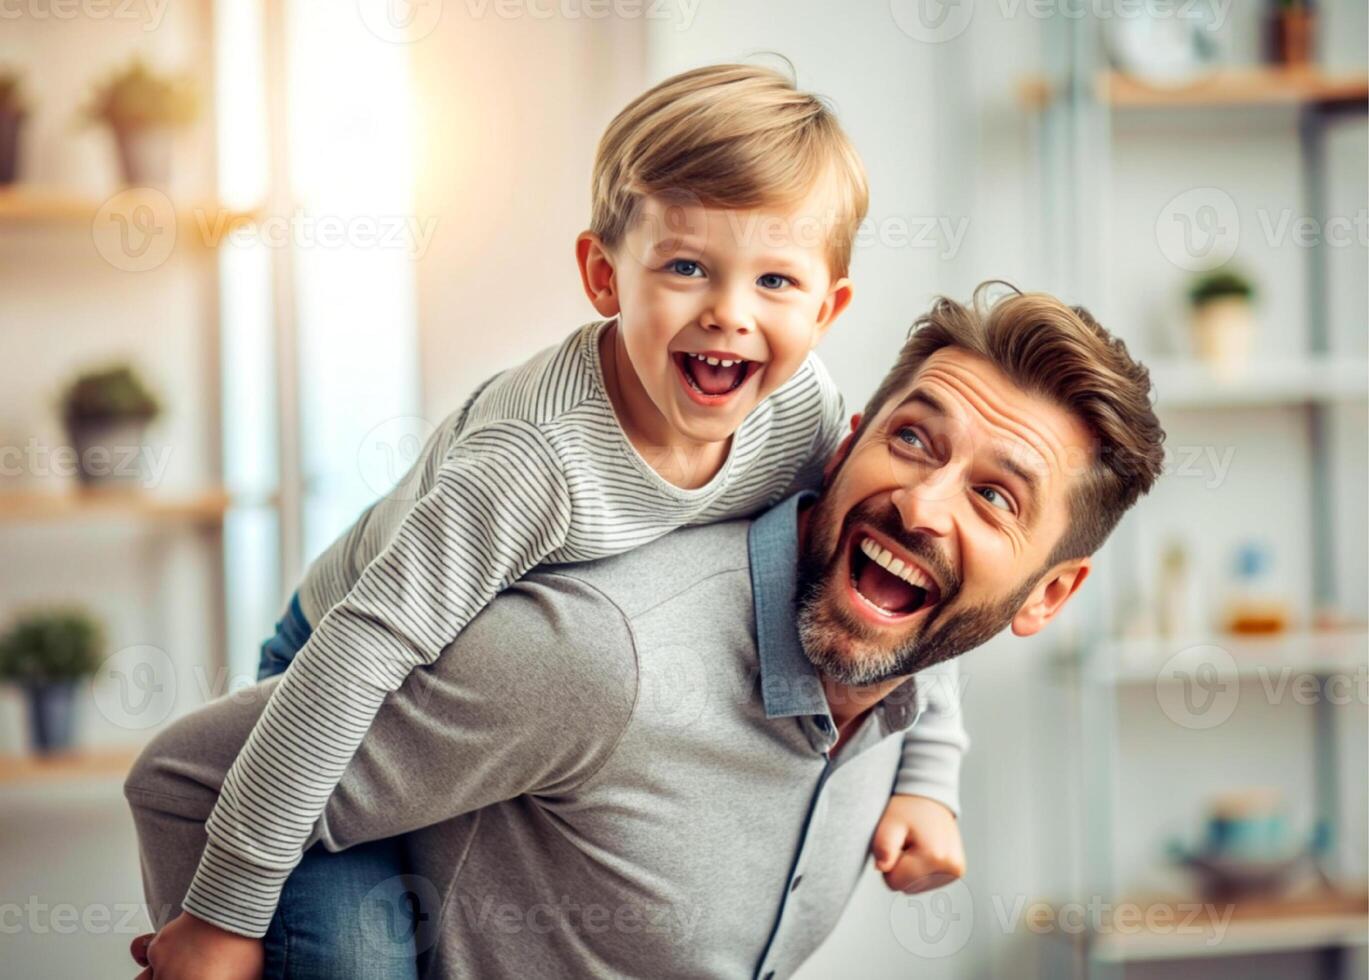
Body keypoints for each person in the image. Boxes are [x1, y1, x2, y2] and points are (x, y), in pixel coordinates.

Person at [131, 63, 972, 977]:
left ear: (826, 309)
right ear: (603, 276)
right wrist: (224, 915)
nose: (729, 314)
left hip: (478, 695)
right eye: (685, 267)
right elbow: (356, 655)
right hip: (342, 666)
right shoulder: (537, 463)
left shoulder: (801, 414)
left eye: (774, 281)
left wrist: (929, 774)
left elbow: (897, 577)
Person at [126, 285, 1167, 979]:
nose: (922, 505)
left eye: (996, 498)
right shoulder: (597, 658)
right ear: (844, 443)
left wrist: (930, 782)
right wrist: (219, 924)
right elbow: (190, 772)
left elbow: (932, 651)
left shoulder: (905, 650)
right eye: (910, 439)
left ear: (1045, 593)